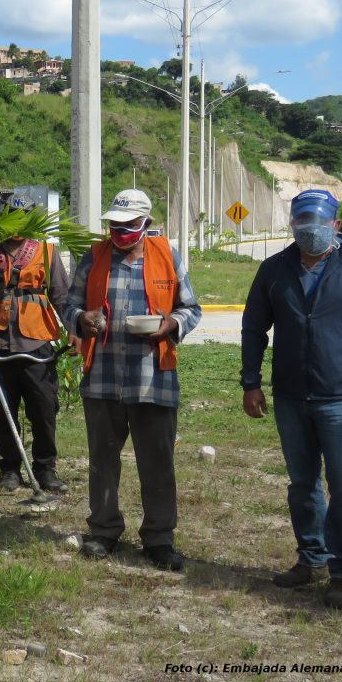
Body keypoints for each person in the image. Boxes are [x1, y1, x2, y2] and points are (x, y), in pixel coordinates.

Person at [240, 189, 342, 609]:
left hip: (341, 398)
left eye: (320, 224)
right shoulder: (274, 269)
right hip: (290, 397)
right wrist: (250, 382)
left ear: (336, 226)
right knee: (302, 484)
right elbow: (254, 328)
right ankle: (311, 559)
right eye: (303, 223)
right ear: (292, 226)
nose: (312, 231)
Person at [63, 189, 201, 572]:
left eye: (128, 226)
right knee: (103, 460)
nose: (120, 232)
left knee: (157, 462)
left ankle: (159, 538)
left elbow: (191, 308)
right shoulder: (94, 257)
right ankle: (103, 530)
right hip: (103, 376)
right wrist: (80, 319)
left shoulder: (167, 256)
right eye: (114, 226)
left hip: (152, 378)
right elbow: (68, 304)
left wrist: (171, 323)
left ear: (146, 225)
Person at [0, 192, 79, 493]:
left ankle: (46, 468)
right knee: (3, 409)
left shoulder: (46, 251)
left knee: (44, 408)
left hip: (37, 343)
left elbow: (62, 293)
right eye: (10, 216)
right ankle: (10, 468)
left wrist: (73, 328)